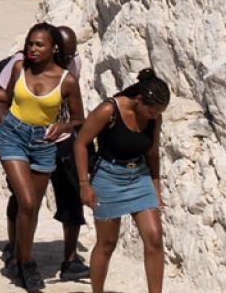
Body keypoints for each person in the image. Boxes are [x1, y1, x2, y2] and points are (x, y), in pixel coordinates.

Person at [0, 23, 83, 292]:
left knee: (32, 208)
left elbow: (78, 118)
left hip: (44, 142)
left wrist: (63, 127)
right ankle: (26, 263)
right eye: (30, 44)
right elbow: (5, 95)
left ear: (53, 48)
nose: (33, 49)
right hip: (13, 135)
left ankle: (20, 258)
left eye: (40, 45)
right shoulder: (18, 67)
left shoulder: (66, 80)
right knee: (25, 200)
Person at [73, 69, 171, 293]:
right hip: (107, 176)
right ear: (138, 99)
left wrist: (156, 186)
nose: (154, 116)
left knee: (154, 238)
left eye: (159, 112)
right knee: (107, 243)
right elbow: (81, 143)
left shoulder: (155, 118)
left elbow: (153, 151)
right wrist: (84, 185)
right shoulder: (110, 109)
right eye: (151, 110)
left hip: (139, 176)